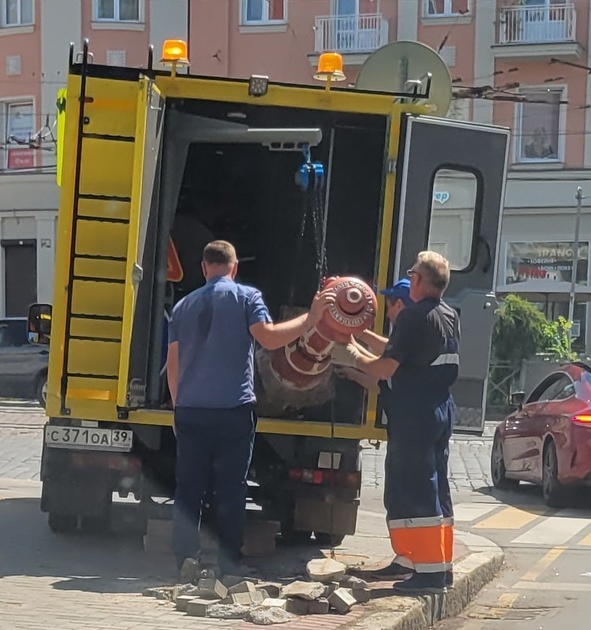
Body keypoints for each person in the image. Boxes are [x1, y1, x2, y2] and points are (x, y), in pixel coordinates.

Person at [167, 240, 334, 577]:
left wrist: (177, 407)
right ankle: (229, 563)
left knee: (188, 487)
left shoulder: (184, 306)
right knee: (230, 488)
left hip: (191, 410)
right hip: (233, 410)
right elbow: (269, 339)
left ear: (203, 268)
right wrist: (311, 318)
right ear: (235, 267)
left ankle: (185, 559)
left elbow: (173, 363)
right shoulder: (247, 298)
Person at [330, 251, 460, 594]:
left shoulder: (413, 316)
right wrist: (362, 340)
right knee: (435, 488)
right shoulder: (446, 314)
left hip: (415, 413)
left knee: (418, 489)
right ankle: (437, 566)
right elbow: (405, 353)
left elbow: (386, 368)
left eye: (411, 273)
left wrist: (350, 352)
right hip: (438, 408)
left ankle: (428, 574)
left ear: (417, 280)